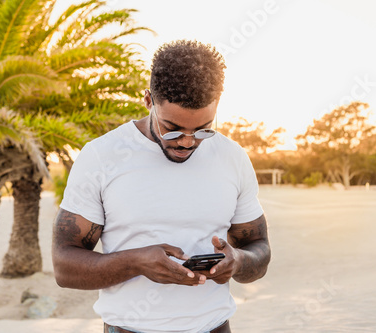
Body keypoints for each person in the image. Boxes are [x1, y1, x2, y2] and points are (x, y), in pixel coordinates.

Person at [52, 40, 271, 333]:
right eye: (173, 129)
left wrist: (238, 261)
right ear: (148, 101)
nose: (187, 142)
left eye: (203, 128)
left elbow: (259, 250)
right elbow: (64, 267)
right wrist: (136, 263)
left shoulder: (232, 157)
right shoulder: (101, 157)